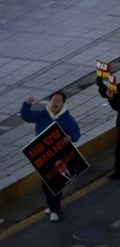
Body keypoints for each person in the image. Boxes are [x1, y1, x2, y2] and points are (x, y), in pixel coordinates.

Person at [20, 91, 81, 221]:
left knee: (56, 183)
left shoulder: (68, 119)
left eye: (59, 101)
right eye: (54, 100)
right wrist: (27, 104)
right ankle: (51, 204)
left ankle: (54, 209)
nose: (56, 102)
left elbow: (76, 133)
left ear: (63, 104)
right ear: (50, 101)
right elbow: (26, 116)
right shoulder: (42, 115)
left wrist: (71, 137)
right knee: (45, 183)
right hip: (44, 156)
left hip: (59, 157)